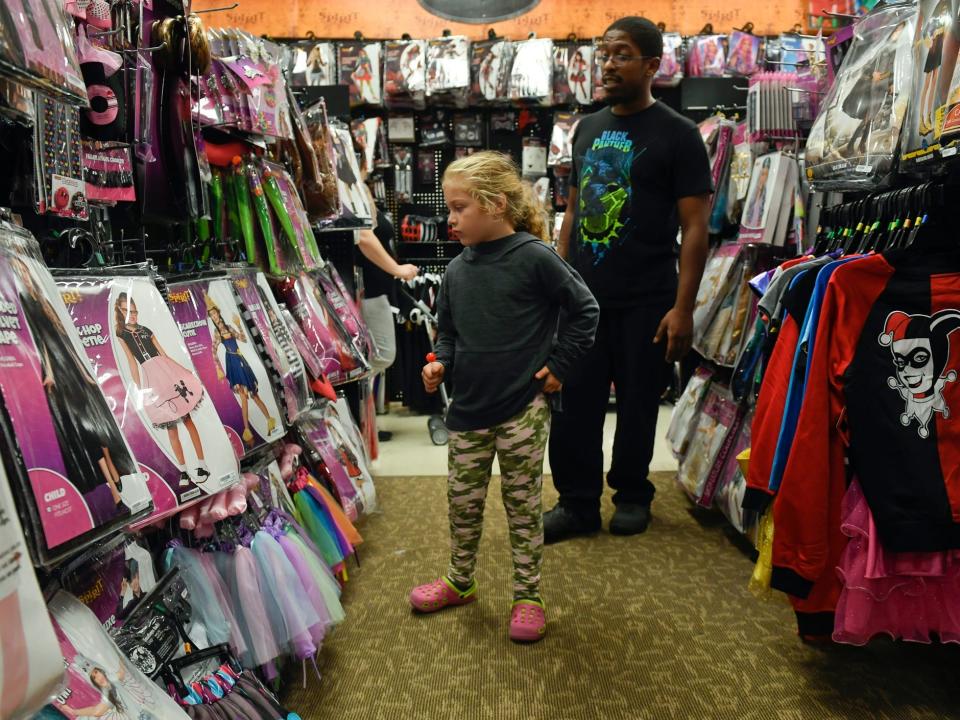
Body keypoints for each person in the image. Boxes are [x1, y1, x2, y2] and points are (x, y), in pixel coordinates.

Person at [408, 151, 599, 643]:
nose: (449, 220)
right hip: (468, 410)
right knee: (463, 504)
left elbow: (585, 310)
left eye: (458, 208)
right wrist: (440, 364)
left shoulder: (535, 256)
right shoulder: (455, 271)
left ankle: (529, 594)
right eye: (448, 209)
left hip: (522, 410)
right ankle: (460, 581)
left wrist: (560, 366)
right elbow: (447, 333)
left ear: (494, 204)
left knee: (523, 506)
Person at [545, 17, 712, 543]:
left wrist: (684, 308)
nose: (608, 63)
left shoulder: (680, 135)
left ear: (651, 65)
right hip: (586, 301)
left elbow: (695, 227)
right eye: (604, 53)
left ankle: (633, 494)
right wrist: (561, 284)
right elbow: (572, 212)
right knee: (574, 405)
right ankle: (576, 503)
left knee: (639, 403)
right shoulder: (587, 128)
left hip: (648, 297)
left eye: (621, 54)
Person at [354, 142, 419, 430]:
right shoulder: (350, 190)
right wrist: (397, 269)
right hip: (366, 288)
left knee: (378, 355)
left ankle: (361, 416)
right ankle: (354, 406)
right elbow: (364, 237)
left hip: (376, 289)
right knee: (381, 354)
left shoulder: (359, 189)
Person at [115, 292, 210, 489]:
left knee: (187, 419)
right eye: (127, 311)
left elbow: (163, 354)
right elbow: (131, 362)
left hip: (166, 372)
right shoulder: (122, 334)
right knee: (170, 427)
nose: (132, 315)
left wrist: (183, 372)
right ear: (119, 311)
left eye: (134, 311)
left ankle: (202, 465)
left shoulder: (146, 330)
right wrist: (139, 388)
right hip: (151, 378)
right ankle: (183, 470)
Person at [206, 296, 278, 447]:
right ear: (211, 317)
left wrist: (239, 325)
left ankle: (270, 421)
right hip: (232, 363)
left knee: (255, 396)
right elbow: (213, 351)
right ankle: (247, 431)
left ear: (218, 313)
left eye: (215, 313)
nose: (214, 316)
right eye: (211, 315)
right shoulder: (217, 333)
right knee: (244, 398)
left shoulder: (230, 328)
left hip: (241, 362)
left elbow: (244, 339)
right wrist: (218, 368)